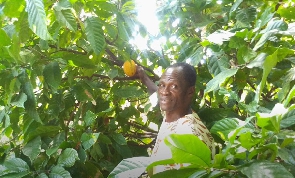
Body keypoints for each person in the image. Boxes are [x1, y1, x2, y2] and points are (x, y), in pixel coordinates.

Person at [136, 62, 215, 175]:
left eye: (174, 86)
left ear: (190, 91)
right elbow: (158, 95)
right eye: (162, 85)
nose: (164, 92)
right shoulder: (174, 113)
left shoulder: (188, 135)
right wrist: (143, 77)